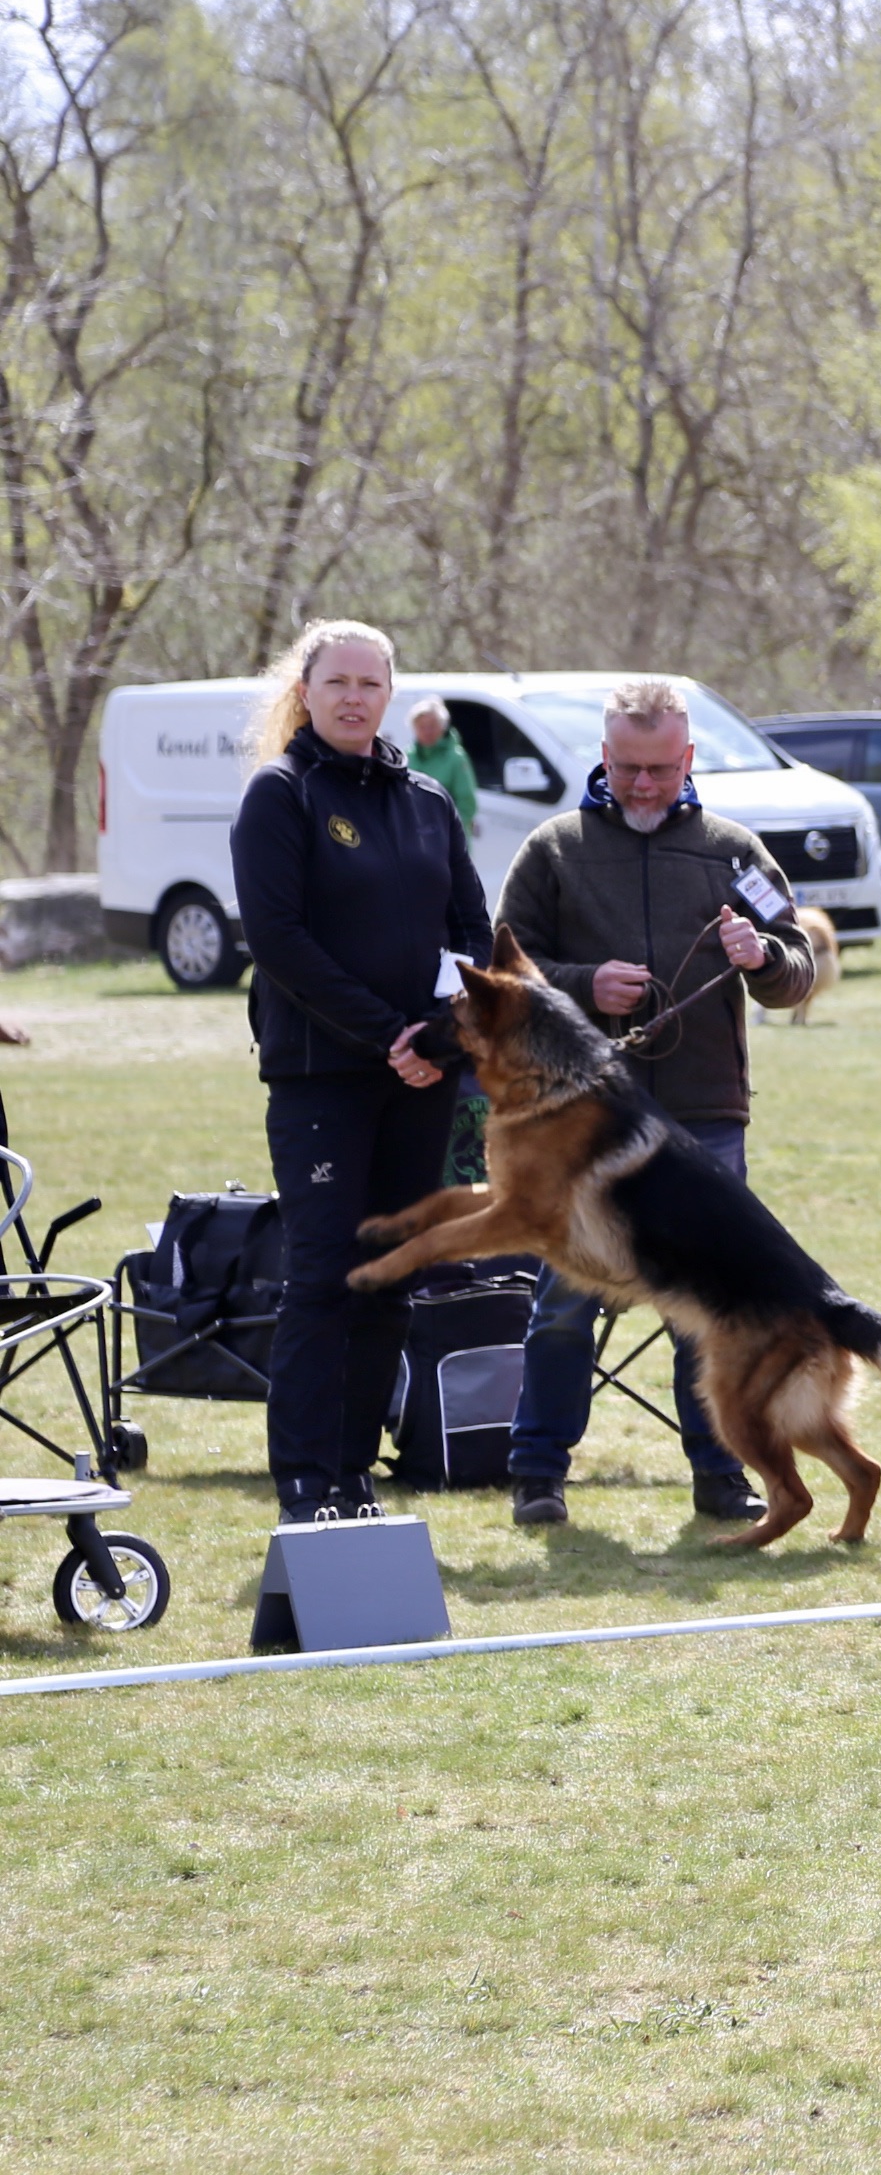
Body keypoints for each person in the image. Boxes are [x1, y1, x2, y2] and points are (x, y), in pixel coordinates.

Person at [498, 678, 820, 1528]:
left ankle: (720, 1473)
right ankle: (537, 1473)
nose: (644, 785)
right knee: (564, 1303)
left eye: (661, 769)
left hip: (704, 1115)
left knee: (710, 1310)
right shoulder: (553, 850)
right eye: (628, 768)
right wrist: (583, 985)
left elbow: (798, 970)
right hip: (581, 1122)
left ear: (689, 758)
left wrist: (762, 958)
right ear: (604, 757)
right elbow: (503, 974)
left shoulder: (735, 853)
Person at [228, 620, 491, 1522]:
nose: (353, 697)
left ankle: (351, 1472)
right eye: (336, 682)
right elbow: (279, 941)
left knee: (390, 1275)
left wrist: (442, 1038)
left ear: (390, 695)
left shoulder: (428, 800)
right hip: (323, 1079)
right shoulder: (281, 794)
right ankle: (304, 1481)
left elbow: (471, 929)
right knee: (323, 1277)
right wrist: (388, 1035)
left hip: (422, 1077)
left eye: (369, 683)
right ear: (305, 692)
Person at [404, 695, 479, 834]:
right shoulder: (407, 757)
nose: (427, 732)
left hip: (448, 836)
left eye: (432, 726)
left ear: (442, 727)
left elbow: (467, 805)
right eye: (422, 727)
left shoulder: (456, 758)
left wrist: (451, 834)